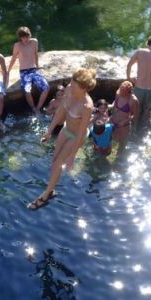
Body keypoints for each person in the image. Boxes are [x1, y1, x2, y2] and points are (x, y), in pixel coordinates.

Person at [27, 68, 96, 210]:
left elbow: (82, 132)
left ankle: (45, 196)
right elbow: (61, 111)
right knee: (54, 161)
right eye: (71, 81)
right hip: (66, 129)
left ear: (83, 88)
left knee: (58, 163)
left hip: (77, 136)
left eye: (74, 83)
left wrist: (72, 155)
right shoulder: (70, 90)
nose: (70, 84)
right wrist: (49, 131)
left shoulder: (86, 106)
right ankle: (51, 190)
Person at [8, 26, 50, 117]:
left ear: (30, 35)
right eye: (23, 37)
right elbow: (13, 58)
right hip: (24, 71)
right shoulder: (17, 45)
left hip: (34, 70)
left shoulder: (34, 41)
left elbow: (35, 54)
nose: (25, 39)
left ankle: (38, 108)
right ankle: (33, 108)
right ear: (20, 38)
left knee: (46, 87)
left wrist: (38, 66)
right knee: (27, 90)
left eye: (27, 36)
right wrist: (8, 71)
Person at [126, 37, 151, 125]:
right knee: (147, 109)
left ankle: (134, 128)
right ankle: (143, 128)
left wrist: (129, 78)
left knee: (136, 109)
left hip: (139, 86)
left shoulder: (140, 52)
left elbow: (129, 65)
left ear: (147, 44)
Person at [110, 81, 139, 149]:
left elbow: (136, 115)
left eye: (122, 91)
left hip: (123, 126)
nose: (120, 92)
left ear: (129, 92)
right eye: (120, 89)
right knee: (110, 141)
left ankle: (121, 157)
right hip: (113, 121)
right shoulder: (118, 93)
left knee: (122, 145)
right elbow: (115, 104)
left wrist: (125, 121)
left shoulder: (134, 101)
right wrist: (111, 107)